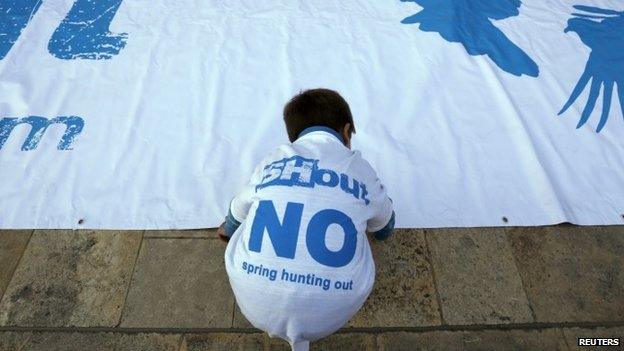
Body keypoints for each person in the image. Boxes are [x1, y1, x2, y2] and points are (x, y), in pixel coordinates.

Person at [218, 88, 395, 351]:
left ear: (295, 136)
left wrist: (229, 228)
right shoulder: (361, 170)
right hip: (333, 311)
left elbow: (237, 210)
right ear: (346, 132)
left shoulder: (273, 160)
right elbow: (384, 227)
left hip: (254, 302)